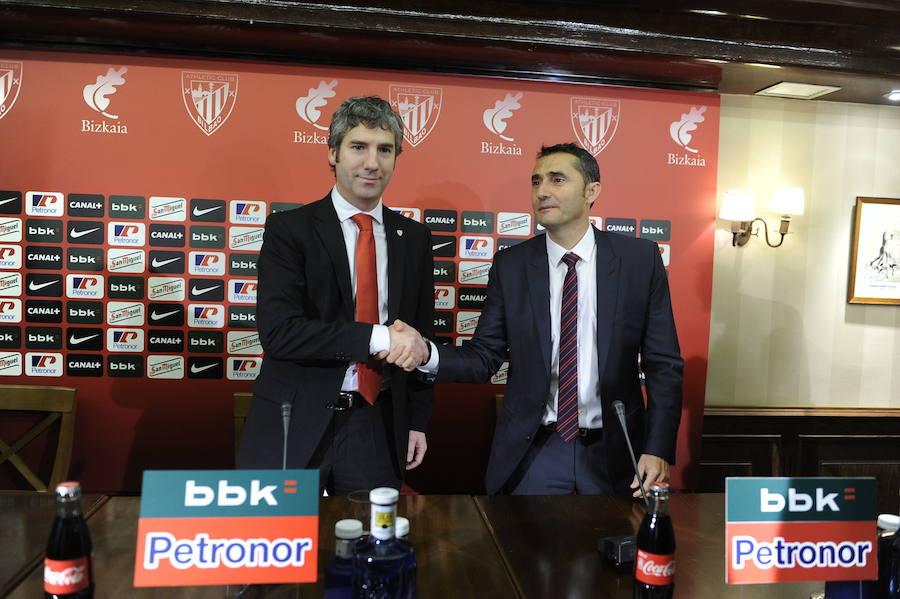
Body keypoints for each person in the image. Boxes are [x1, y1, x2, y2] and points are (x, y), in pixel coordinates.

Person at [412, 142, 683, 495]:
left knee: (614, 548)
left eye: (557, 180)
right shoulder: (511, 266)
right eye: (536, 181)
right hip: (535, 450)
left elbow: (664, 363)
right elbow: (483, 358)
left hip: (617, 451)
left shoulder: (639, 260)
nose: (542, 191)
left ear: (591, 190)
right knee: (526, 549)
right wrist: (425, 354)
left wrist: (657, 447)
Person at [238, 96, 433, 495]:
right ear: (333, 153)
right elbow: (280, 333)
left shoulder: (414, 239)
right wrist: (379, 338)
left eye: (385, 150)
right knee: (279, 549)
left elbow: (420, 338)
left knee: (369, 550)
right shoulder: (289, 230)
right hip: (293, 420)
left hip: (377, 425)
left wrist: (417, 421)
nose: (372, 163)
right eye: (358, 147)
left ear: (397, 158)